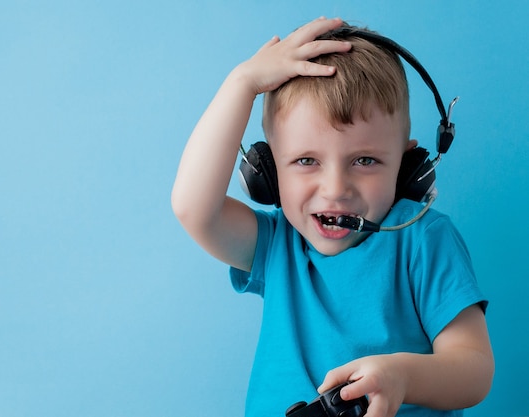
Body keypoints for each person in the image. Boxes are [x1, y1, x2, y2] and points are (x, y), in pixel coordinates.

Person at [171, 16, 494, 417]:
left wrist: (404, 376)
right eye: (306, 160)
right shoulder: (275, 246)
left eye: (365, 160)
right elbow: (192, 208)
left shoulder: (424, 238)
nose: (336, 188)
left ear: (405, 166)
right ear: (269, 174)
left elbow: (475, 369)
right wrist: (243, 83)